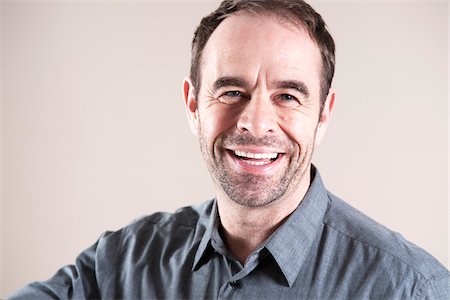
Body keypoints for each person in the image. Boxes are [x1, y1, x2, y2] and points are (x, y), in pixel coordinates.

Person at [9, 0, 449, 299]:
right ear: (192, 105)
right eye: (232, 90)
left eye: (288, 96)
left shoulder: (411, 288)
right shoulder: (122, 264)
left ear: (323, 113)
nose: (255, 123)